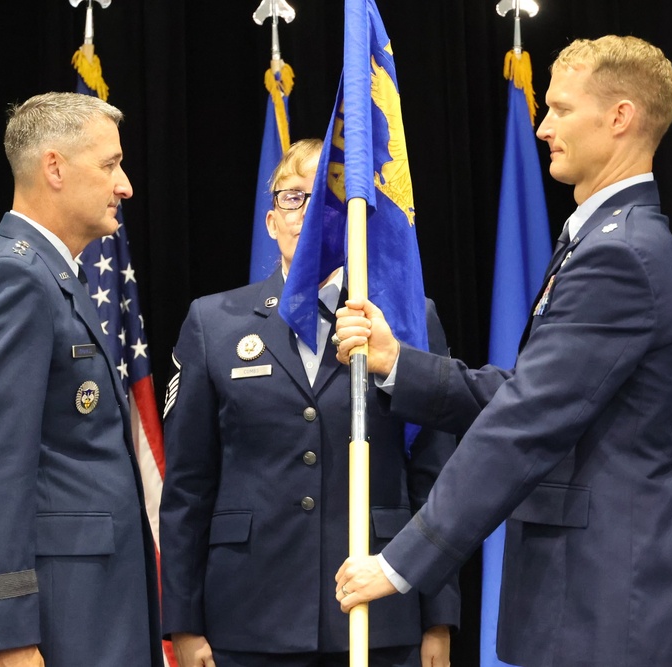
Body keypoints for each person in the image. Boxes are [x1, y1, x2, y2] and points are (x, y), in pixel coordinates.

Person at [332, 35, 672, 667]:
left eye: (560, 109)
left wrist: (401, 562)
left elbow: (525, 422)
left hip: (609, 604)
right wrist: (399, 363)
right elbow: (528, 395)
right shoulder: (608, 243)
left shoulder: (622, 254)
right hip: (588, 596)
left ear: (619, 118)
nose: (542, 127)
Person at [160, 138, 459, 667]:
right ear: (272, 220)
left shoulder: (407, 321)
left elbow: (434, 478)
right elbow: (187, 487)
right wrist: (183, 623)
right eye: (293, 198)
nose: (307, 213)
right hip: (247, 620)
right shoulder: (213, 323)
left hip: (379, 617)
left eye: (328, 199)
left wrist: (438, 617)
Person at [0, 92, 162, 667]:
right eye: (110, 165)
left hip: (84, 609)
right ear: (54, 167)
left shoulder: (47, 276)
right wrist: (6, 638)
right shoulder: (15, 280)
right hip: (51, 623)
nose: (124, 185)